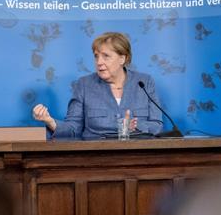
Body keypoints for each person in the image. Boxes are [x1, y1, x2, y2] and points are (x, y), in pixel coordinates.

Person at [32, 31, 165, 139]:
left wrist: (138, 125)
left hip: (138, 155)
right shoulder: (83, 85)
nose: (99, 62)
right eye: (96, 56)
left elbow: (157, 125)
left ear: (122, 59)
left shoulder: (144, 82)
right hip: (96, 158)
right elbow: (73, 128)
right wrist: (49, 121)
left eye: (106, 56)